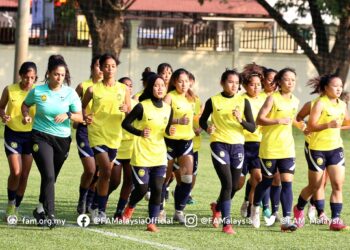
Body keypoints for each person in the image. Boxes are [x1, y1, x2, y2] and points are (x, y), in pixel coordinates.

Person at [22, 55, 83, 228]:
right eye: (56, 74)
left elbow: (81, 117)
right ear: (49, 74)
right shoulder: (38, 91)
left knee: (51, 177)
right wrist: (26, 115)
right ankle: (51, 213)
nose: (59, 78)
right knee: (48, 175)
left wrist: (69, 115)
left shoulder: (70, 93)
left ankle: (40, 208)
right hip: (40, 136)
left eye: (62, 75)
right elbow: (25, 105)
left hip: (62, 140)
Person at [199, 69, 256, 235]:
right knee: (227, 183)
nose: (234, 85)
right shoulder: (213, 100)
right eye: (231, 82)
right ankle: (227, 223)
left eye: (237, 83)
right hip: (219, 144)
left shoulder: (243, 101)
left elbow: (252, 127)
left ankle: (217, 207)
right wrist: (207, 127)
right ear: (222, 83)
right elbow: (202, 120)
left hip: (238, 146)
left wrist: (241, 120)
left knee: (235, 185)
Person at [293, 74, 349, 231]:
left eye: (340, 86)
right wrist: (328, 125)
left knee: (337, 184)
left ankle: (336, 219)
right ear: (325, 88)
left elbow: (347, 122)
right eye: (335, 86)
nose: (339, 88)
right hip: (317, 149)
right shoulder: (319, 104)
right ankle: (298, 208)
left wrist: (339, 126)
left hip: (336, 148)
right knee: (315, 185)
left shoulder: (343, 105)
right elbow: (310, 126)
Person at [122, 73, 174, 232]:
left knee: (158, 189)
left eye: (162, 85)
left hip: (159, 155)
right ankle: (130, 206)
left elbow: (165, 130)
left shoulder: (168, 109)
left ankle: (151, 222)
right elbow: (125, 123)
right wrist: (139, 133)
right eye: (156, 85)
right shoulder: (142, 106)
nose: (160, 88)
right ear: (151, 88)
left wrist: (169, 131)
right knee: (142, 189)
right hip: (142, 155)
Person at [82, 53, 130, 223]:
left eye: (113, 66)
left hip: (115, 136)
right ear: (101, 68)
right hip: (97, 134)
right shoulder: (92, 89)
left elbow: (129, 111)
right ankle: (101, 211)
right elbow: (82, 107)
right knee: (106, 171)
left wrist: (126, 108)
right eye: (106, 66)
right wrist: (85, 116)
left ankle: (95, 204)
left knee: (105, 176)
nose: (110, 69)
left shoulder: (123, 89)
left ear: (116, 68)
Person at [250, 68, 301, 232]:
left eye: (293, 80)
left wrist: (302, 126)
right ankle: (255, 209)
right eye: (287, 79)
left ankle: (286, 220)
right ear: (279, 81)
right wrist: (278, 120)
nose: (290, 83)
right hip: (270, 147)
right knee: (266, 181)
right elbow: (259, 119)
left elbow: (291, 120)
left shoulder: (296, 101)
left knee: (287, 183)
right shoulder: (272, 99)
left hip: (287, 148)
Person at [0, 62, 37, 223]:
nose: (29, 81)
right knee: (16, 171)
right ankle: (10, 204)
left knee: (24, 175)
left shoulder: (38, 92)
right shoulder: (10, 89)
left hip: (31, 137)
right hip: (12, 135)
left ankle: (16, 208)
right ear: (20, 76)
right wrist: (3, 115)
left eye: (32, 78)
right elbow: (1, 107)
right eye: (26, 77)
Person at [162, 68, 195, 223]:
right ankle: (160, 208)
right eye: (180, 81)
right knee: (164, 178)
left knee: (187, 178)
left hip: (186, 142)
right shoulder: (169, 97)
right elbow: (161, 117)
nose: (184, 84)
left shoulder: (191, 98)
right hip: (169, 142)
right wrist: (176, 121)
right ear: (174, 82)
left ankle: (178, 210)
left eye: (186, 81)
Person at [237, 63, 266, 219]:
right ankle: (221, 204)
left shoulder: (265, 99)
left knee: (257, 178)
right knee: (238, 183)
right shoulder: (240, 100)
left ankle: (250, 207)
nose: (256, 88)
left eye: (259, 85)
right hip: (242, 144)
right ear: (245, 86)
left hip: (259, 145)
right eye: (252, 85)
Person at [75, 55, 103, 214]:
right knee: (91, 169)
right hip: (85, 132)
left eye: (103, 66)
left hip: (102, 133)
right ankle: (82, 198)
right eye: (98, 66)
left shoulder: (110, 89)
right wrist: (78, 118)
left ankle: (90, 199)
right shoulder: (83, 86)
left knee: (100, 171)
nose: (101, 70)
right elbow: (70, 103)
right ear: (92, 67)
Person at [108, 76, 137, 219]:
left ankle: (119, 211)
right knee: (114, 181)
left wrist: (128, 111)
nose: (128, 88)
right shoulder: (114, 101)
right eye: (125, 85)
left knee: (129, 181)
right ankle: (100, 198)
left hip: (131, 148)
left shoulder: (136, 104)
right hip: (116, 146)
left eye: (130, 85)